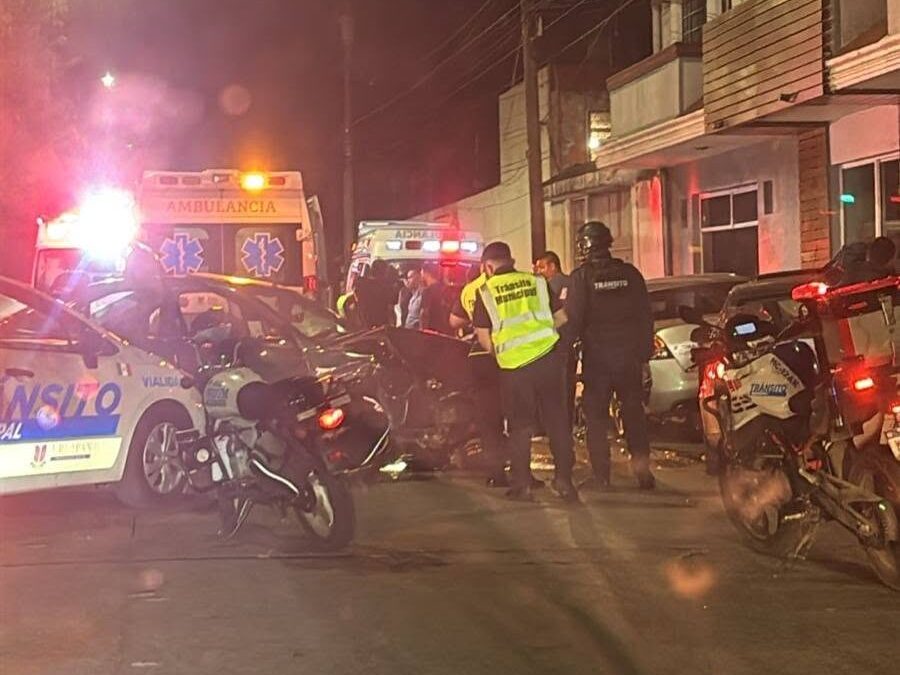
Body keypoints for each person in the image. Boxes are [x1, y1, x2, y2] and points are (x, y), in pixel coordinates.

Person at [472, 241, 577, 501]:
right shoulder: (537, 282)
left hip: (515, 368)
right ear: (512, 260)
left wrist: (501, 353)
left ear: (487, 266)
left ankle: (522, 485)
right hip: (548, 360)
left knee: (520, 427)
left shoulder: (486, 291)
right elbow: (562, 318)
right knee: (557, 422)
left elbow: (484, 336)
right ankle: (564, 481)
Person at [568, 221, 656, 491]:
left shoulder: (582, 277)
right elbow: (645, 315)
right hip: (629, 358)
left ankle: (602, 476)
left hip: (598, 360)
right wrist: (643, 355)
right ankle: (642, 472)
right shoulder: (630, 274)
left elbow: (573, 319)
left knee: (595, 418)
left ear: (585, 246)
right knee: (633, 414)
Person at [535, 251, 577, 427]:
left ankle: (551, 425)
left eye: (542, 267)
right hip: (570, 344)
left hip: (554, 345)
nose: (540, 272)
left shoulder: (548, 286)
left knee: (552, 390)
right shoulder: (573, 283)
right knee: (568, 386)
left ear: (553, 266)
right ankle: (568, 422)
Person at [354, 259, 398, 328]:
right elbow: (392, 304)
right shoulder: (385, 288)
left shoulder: (361, 284)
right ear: (383, 272)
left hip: (363, 324)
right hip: (381, 326)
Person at [419, 263, 453, 334]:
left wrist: (422, 331)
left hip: (432, 332)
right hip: (446, 332)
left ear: (426, 273)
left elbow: (424, 313)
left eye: (421, 272)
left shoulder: (427, 291)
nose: (421, 275)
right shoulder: (446, 289)